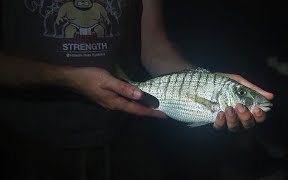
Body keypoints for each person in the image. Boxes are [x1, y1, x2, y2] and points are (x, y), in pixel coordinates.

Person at [0, 0, 273, 179]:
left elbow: (156, 49)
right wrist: (65, 77)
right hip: (24, 136)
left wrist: (206, 81)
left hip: (122, 131)